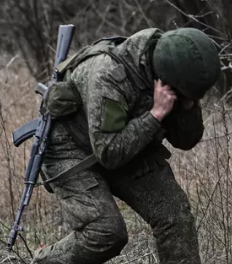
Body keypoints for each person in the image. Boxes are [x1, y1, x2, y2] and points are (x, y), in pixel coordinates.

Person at [34, 27, 222, 264]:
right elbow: (109, 153)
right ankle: (44, 261)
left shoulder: (172, 71)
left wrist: (186, 106)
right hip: (69, 147)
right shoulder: (110, 74)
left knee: (175, 215)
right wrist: (155, 115)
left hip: (125, 142)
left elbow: (185, 141)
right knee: (106, 233)